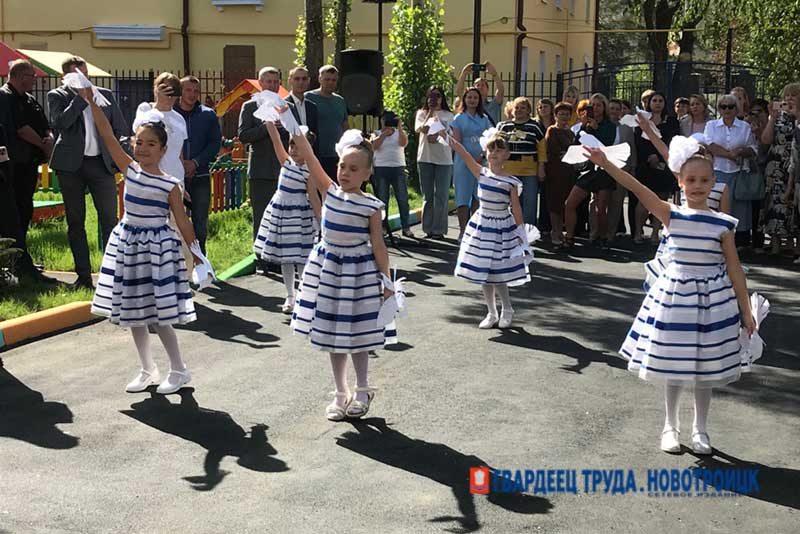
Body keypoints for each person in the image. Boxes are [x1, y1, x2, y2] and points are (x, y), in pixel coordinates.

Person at [584, 137, 755, 456]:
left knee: (706, 369)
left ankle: (700, 428)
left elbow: (735, 270)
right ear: (679, 180)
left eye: (705, 180)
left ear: (714, 183)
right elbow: (636, 187)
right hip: (676, 300)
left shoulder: (723, 224)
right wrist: (605, 163)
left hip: (712, 303)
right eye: (691, 180)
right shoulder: (671, 214)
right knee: (674, 365)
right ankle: (670, 426)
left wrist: (746, 312)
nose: (698, 186)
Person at [84, 86, 200, 395]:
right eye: (140, 142)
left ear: (164, 149)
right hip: (128, 247)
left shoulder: (170, 184)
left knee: (160, 316)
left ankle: (178, 368)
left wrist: (198, 255)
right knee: (134, 311)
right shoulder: (130, 169)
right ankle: (147, 367)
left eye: (152, 144)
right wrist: (90, 100)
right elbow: (107, 134)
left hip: (157, 250)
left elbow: (183, 222)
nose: (144, 148)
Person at [289, 127, 395, 422]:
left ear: (367, 174)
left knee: (358, 334)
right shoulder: (329, 191)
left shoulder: (372, 206)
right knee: (333, 334)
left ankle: (362, 389)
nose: (345, 173)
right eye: (341, 167)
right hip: (329, 273)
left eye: (353, 169)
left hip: (357, 275)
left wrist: (386, 282)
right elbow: (309, 156)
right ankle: (340, 392)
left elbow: (378, 245)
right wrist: (290, 124)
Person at [48, 55, 128, 290]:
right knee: (76, 221)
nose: (83, 79)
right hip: (70, 166)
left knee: (109, 220)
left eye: (84, 74)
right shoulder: (58, 96)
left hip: (100, 164)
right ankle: (83, 276)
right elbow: (60, 123)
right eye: (76, 75)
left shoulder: (105, 95)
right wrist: (80, 100)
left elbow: (120, 128)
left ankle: (112, 274)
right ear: (66, 77)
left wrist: (124, 156)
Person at [450, 132, 529, 329]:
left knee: (498, 270)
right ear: (485, 152)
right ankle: (491, 312)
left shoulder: (511, 182)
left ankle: (507, 309)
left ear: (507, 154)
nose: (494, 152)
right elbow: (462, 151)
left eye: (499, 149)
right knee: (483, 270)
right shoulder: (481, 172)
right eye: (491, 148)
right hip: (481, 225)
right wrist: (444, 134)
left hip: (502, 227)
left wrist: (521, 233)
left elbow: (516, 207)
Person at [254, 121, 321, 313]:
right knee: (285, 258)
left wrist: (321, 220)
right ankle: (289, 295)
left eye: (299, 147)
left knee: (300, 258)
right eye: (292, 144)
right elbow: (275, 139)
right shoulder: (285, 162)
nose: (293, 150)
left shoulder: (309, 171)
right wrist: (268, 120)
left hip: (298, 218)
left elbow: (314, 197)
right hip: (281, 216)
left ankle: (303, 295)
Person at [1, 61, 53, 252]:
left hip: (29, 163)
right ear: (21, 76)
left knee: (25, 209)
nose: (35, 79)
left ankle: (22, 255)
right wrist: (43, 145)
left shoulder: (29, 99)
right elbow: (21, 129)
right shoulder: (5, 97)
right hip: (15, 165)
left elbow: (44, 124)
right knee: (14, 211)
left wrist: (49, 139)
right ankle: (12, 257)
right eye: (32, 76)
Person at [238, 67, 288, 248]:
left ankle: (279, 255)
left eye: (276, 82)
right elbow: (243, 135)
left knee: (282, 216)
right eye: (269, 82)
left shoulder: (284, 105)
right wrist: (267, 127)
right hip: (260, 171)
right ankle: (260, 256)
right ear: (260, 83)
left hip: (283, 170)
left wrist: (283, 127)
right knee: (261, 215)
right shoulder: (250, 106)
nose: (273, 85)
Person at [175, 75, 222, 255]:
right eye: (188, 90)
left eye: (196, 91)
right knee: (175, 221)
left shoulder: (208, 115)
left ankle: (201, 261)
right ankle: (179, 261)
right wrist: (180, 165)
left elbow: (214, 144)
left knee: (200, 223)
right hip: (174, 178)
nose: (192, 94)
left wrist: (195, 162)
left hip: (200, 175)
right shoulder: (171, 113)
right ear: (180, 91)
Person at [564, 93, 617, 249]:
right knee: (570, 203)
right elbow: (575, 144)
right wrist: (584, 126)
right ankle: (569, 237)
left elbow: (606, 144)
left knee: (601, 209)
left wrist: (596, 129)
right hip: (587, 170)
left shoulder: (609, 125)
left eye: (599, 105)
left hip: (603, 169)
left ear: (604, 108)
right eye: (592, 105)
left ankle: (602, 238)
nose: (595, 108)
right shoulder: (584, 125)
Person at [704, 94, 759, 246]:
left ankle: (739, 243)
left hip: (739, 173)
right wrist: (730, 155)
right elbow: (709, 145)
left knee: (739, 207)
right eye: (723, 106)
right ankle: (716, 240)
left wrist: (740, 152)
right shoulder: (711, 125)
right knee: (717, 206)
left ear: (736, 109)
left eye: (731, 106)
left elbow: (753, 148)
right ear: (719, 109)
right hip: (718, 171)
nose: (727, 109)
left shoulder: (745, 127)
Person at [633, 91, 679, 244]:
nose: (657, 103)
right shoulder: (642, 120)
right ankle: (638, 232)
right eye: (654, 100)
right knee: (643, 199)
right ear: (649, 103)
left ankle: (655, 233)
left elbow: (672, 140)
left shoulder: (671, 121)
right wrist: (649, 157)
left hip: (664, 165)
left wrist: (659, 158)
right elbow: (639, 142)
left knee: (661, 200)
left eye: (660, 100)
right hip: (645, 165)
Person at [761, 83, 800, 254]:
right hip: (776, 163)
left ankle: (795, 244)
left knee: (794, 202)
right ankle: (775, 243)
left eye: (794, 95)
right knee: (775, 201)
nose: (789, 99)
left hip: (794, 164)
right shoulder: (779, 116)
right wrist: (772, 118)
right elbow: (766, 139)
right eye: (787, 96)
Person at [497, 97, 546, 226]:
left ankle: (529, 232)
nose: (519, 110)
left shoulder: (535, 126)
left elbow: (542, 149)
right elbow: (498, 147)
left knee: (530, 201)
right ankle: (511, 230)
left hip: (529, 171)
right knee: (511, 202)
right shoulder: (504, 126)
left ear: (528, 110)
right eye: (516, 107)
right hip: (508, 171)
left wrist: (541, 167)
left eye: (522, 108)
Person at [451, 87, 492, 240]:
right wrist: (468, 158)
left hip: (481, 160)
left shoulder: (485, 119)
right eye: (469, 97)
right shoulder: (458, 119)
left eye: (475, 97)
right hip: (462, 162)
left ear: (479, 100)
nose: (472, 100)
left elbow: (490, 139)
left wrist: (481, 156)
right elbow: (456, 142)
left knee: (477, 195)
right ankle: (463, 230)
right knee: (462, 196)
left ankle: (474, 230)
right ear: (464, 99)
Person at [133, 73, 187, 185]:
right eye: (164, 88)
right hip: (151, 178)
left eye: (172, 89)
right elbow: (138, 131)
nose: (168, 93)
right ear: (156, 89)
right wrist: (160, 102)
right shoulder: (146, 110)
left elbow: (180, 152)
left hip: (176, 177)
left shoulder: (179, 118)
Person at [415, 86, 454, 239]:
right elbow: (422, 129)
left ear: (442, 98)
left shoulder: (448, 115)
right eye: (431, 96)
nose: (434, 99)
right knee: (428, 195)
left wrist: (437, 128)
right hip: (425, 158)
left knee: (442, 195)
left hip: (444, 159)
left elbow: (444, 133)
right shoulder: (421, 113)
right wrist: (430, 113)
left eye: (437, 96)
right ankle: (428, 229)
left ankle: (439, 230)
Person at [371, 110, 413, 238]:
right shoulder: (376, 133)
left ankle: (406, 227)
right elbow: (373, 146)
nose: (387, 122)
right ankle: (384, 227)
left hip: (398, 168)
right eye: (385, 119)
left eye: (390, 119)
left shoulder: (399, 133)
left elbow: (403, 143)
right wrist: (383, 135)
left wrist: (399, 127)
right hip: (381, 169)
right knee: (383, 200)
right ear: (381, 121)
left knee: (403, 199)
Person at [305, 65, 349, 180]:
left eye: (333, 80)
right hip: (316, 154)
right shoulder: (308, 97)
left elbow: (344, 125)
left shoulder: (340, 101)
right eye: (327, 79)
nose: (330, 83)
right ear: (320, 79)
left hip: (337, 155)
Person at [544, 102, 578, 246]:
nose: (564, 116)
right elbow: (553, 150)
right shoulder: (552, 130)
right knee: (555, 203)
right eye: (561, 114)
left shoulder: (571, 133)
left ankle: (563, 231)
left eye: (567, 114)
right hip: (555, 171)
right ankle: (555, 231)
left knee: (566, 203)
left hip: (568, 172)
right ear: (555, 115)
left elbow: (575, 150)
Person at [606, 97, 638, 241]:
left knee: (617, 202)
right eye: (611, 108)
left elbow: (632, 148)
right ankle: (598, 232)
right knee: (600, 202)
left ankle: (611, 234)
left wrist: (632, 167)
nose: (614, 112)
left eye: (617, 109)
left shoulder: (625, 127)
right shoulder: (603, 125)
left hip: (621, 169)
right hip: (603, 167)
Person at [285, 66, 319, 154]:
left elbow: (315, 134)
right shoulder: (283, 105)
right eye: (297, 79)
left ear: (308, 81)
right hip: (289, 155)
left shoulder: (312, 106)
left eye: (304, 79)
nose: (301, 82)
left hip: (308, 156)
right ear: (290, 81)